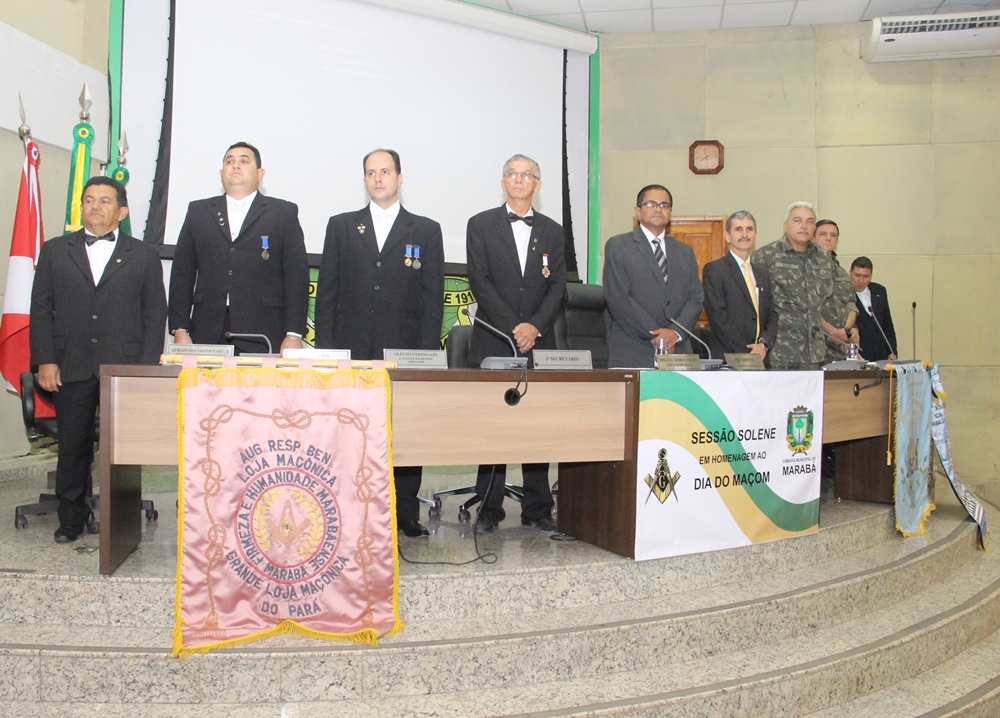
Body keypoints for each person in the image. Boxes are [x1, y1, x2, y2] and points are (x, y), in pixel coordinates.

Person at [314, 149, 444, 537]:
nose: (378, 178)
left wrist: (422, 355)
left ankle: (405, 513)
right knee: (349, 434)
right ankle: (347, 512)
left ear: (400, 178)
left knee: (401, 433)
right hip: (352, 350)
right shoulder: (342, 226)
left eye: (385, 171)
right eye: (371, 173)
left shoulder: (425, 230)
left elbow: (431, 297)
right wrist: (328, 352)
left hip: (403, 350)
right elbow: (328, 294)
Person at [30, 177, 167, 543]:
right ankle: (70, 519)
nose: (95, 206)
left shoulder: (145, 254)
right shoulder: (55, 250)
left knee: (121, 448)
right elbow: (41, 310)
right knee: (72, 447)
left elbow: (155, 315)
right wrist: (45, 359)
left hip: (123, 367)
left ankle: (120, 520)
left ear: (121, 212)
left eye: (104, 201)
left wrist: (143, 369)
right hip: (69, 364)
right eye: (89, 200)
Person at [466, 154, 566, 533]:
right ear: (503, 182)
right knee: (494, 425)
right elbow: (480, 280)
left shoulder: (553, 231)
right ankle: (489, 507)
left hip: (539, 341)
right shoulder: (480, 224)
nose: (519, 180)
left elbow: (558, 284)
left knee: (536, 426)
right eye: (512, 174)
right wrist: (514, 327)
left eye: (527, 175)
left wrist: (535, 326)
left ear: (537, 185)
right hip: (494, 337)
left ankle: (538, 507)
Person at [168, 142, 309, 354]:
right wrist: (180, 329)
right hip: (207, 330)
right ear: (221, 172)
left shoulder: (283, 212)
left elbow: (296, 277)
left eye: (244, 161)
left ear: (260, 173)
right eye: (230, 161)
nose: (236, 165)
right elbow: (182, 274)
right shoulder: (198, 211)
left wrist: (294, 334)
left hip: (264, 331)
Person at [603, 184, 704, 368]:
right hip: (634, 349)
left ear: (670, 212)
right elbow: (619, 298)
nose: (658, 209)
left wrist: (675, 333)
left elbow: (696, 298)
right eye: (651, 204)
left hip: (678, 352)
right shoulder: (619, 246)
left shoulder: (684, 251)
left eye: (664, 205)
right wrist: (657, 336)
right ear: (638, 211)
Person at [750, 202, 835, 370]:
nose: (804, 226)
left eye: (810, 221)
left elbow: (825, 302)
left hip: (815, 354)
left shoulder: (824, 258)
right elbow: (755, 306)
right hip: (779, 352)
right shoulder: (766, 256)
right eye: (798, 220)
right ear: (786, 226)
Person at [701, 210, 778, 366]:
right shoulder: (715, 270)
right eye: (738, 229)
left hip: (761, 358)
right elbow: (718, 318)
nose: (745, 234)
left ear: (755, 234)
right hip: (728, 359)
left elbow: (772, 314)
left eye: (749, 229)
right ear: (727, 236)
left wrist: (763, 345)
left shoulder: (762, 273)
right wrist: (748, 353)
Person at [813, 219, 859, 361]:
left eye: (833, 235)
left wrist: (848, 330)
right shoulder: (807, 270)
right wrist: (833, 332)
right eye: (823, 234)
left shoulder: (841, 272)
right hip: (818, 348)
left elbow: (851, 304)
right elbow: (809, 309)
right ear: (812, 237)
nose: (828, 238)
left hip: (842, 348)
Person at [851, 256, 897, 361]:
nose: (861, 280)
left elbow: (887, 324)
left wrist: (892, 351)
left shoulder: (879, 291)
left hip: (881, 355)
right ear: (850, 273)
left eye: (865, 276)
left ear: (871, 275)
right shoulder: (843, 294)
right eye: (857, 275)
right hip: (860, 355)